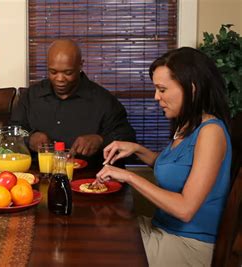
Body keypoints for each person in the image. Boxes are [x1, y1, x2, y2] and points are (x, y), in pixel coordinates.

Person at [96, 47, 232, 266]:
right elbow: (175, 166)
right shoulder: (186, 124)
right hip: (161, 229)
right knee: (99, 230)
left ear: (192, 89)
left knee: (108, 252)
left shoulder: (211, 132)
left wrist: (129, 176)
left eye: (162, 89)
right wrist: (136, 149)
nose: (156, 97)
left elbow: (185, 209)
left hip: (188, 244)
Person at [10, 39, 136, 168]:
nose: (59, 79)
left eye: (68, 73)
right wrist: (29, 138)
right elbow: (10, 132)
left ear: (80, 65)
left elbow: (128, 137)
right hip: (40, 175)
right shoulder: (31, 96)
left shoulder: (103, 100)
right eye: (53, 72)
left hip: (90, 178)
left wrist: (100, 140)